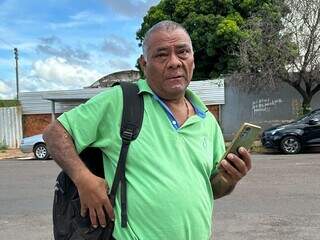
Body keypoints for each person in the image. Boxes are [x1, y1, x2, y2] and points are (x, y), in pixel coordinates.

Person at [43, 20, 252, 240]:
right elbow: (55, 133)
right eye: (161, 55)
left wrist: (230, 179)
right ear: (144, 64)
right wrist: (83, 178)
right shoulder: (120, 102)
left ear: (193, 59)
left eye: (182, 52)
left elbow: (212, 189)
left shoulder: (207, 121)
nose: (174, 62)